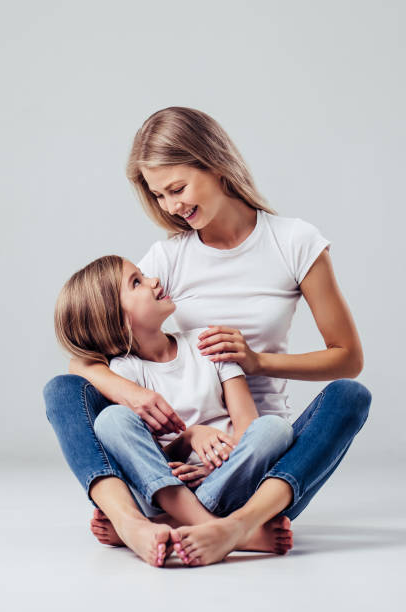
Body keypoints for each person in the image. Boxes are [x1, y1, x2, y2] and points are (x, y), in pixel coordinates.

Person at [44, 106, 372, 567]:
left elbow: (347, 358)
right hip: (170, 460)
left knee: (349, 396)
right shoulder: (168, 258)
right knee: (63, 390)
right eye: (159, 195)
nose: (171, 206)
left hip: (260, 461)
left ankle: (228, 522)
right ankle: (136, 520)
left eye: (177, 188)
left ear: (215, 164)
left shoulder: (294, 242)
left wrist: (258, 362)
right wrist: (137, 399)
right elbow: (90, 350)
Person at [53, 254, 294, 567]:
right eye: (136, 282)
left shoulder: (208, 342)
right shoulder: (124, 373)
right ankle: (226, 529)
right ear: (118, 318)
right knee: (113, 420)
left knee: (275, 429)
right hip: (167, 484)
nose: (154, 281)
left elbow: (248, 424)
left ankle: (174, 522)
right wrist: (189, 437)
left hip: (228, 475)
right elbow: (148, 459)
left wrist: (215, 467)